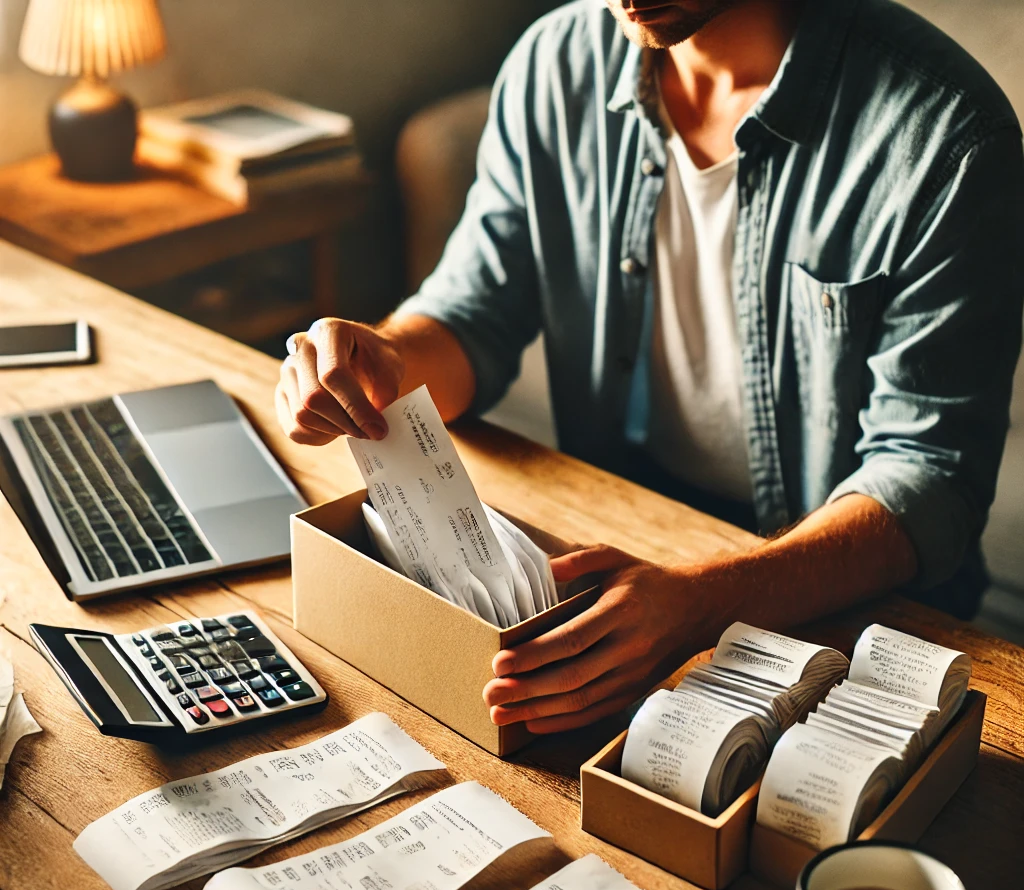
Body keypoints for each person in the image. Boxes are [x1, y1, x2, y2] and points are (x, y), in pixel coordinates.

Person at [275, 0, 1024, 735]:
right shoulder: (554, 65)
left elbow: (928, 479)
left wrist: (703, 601)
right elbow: (473, 315)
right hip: (618, 559)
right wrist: (386, 359)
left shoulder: (946, 133)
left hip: (858, 617)